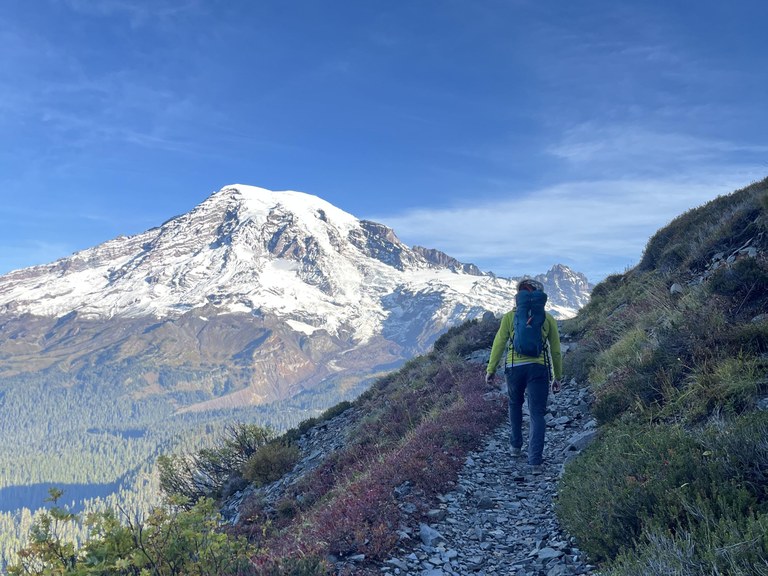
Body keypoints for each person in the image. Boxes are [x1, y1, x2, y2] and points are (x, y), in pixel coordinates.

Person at [485, 278, 562, 473]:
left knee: (515, 404)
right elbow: (555, 351)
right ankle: (535, 460)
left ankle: (515, 447)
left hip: (514, 368)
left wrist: (491, 370)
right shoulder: (547, 318)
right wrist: (557, 376)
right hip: (539, 368)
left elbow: (499, 344)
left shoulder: (509, 318)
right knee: (537, 413)